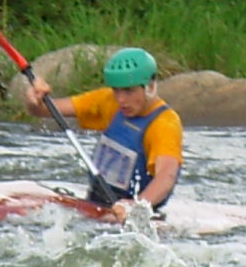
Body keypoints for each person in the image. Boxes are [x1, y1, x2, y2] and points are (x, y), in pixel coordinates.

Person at [24, 47, 182, 224]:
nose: (121, 99)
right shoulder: (108, 101)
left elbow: (166, 176)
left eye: (129, 91)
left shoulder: (164, 124)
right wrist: (36, 98)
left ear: (150, 87)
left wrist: (135, 207)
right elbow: (43, 110)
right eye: (116, 90)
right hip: (98, 204)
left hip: (137, 214)